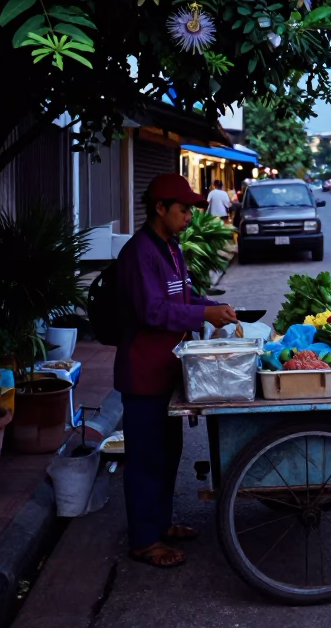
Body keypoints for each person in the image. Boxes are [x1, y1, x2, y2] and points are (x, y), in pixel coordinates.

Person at [115, 174, 237, 568]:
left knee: (168, 453)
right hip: (144, 372)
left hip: (169, 368)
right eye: (182, 209)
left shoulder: (171, 248)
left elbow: (181, 298)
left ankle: (161, 523)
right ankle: (143, 541)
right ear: (160, 209)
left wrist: (213, 307)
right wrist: (203, 313)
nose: (188, 216)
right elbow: (152, 311)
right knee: (146, 457)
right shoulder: (139, 254)